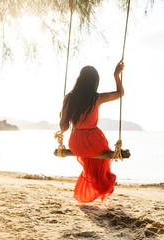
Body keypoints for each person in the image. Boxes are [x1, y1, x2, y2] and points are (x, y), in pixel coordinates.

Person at [59, 59, 125, 203]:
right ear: (95, 82)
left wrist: (63, 114)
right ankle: (100, 185)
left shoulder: (69, 98)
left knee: (92, 162)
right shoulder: (96, 98)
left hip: (76, 143)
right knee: (103, 158)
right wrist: (116, 76)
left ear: (79, 79)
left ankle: (95, 185)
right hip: (95, 142)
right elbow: (120, 93)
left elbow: (63, 127)